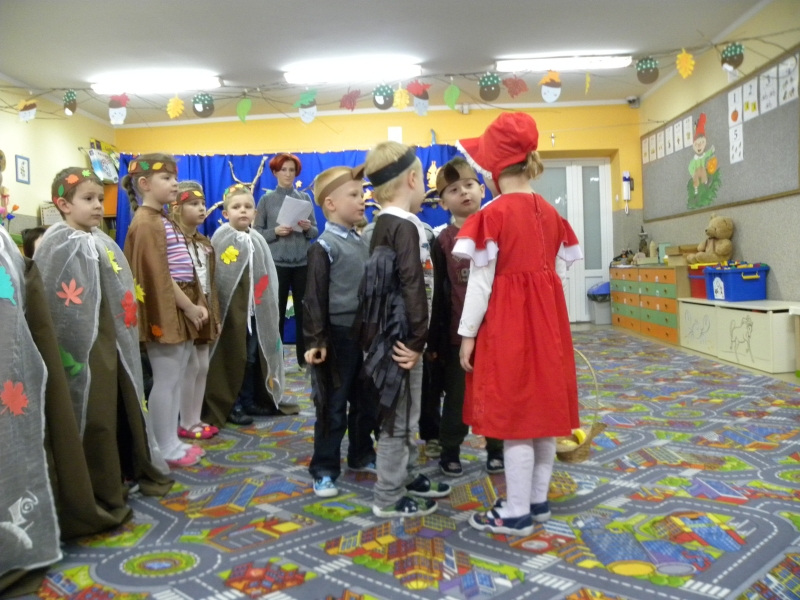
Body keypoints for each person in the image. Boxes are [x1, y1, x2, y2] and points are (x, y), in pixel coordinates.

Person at [453, 113, 582, 537]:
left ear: (493, 170)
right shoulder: (551, 212)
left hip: (509, 327)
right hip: (548, 326)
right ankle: (537, 502)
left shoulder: (494, 215)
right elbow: (557, 276)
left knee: (515, 422)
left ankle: (515, 511)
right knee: (543, 417)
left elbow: (480, 285)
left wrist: (467, 335)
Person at [355, 141, 450, 518]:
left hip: (395, 336)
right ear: (412, 179)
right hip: (403, 341)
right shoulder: (406, 225)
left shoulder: (384, 223)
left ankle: (405, 475)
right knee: (397, 420)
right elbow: (412, 285)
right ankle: (388, 495)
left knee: (405, 413)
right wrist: (417, 340)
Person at [122, 154, 209, 468]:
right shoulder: (146, 222)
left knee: (176, 374)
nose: (174, 184)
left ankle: (172, 440)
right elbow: (158, 274)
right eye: (167, 178)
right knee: (167, 379)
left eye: (175, 177)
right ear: (145, 184)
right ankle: (163, 445)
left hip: (176, 304)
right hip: (167, 307)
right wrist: (188, 306)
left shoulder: (160, 219)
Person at [427, 158, 504, 477]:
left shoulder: (498, 231)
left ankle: (497, 448)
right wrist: (437, 340)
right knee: (457, 397)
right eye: (454, 190)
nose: (464, 193)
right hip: (457, 336)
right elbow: (437, 293)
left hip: (497, 333)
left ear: (482, 189)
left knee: (497, 394)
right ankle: (450, 449)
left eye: (469, 185)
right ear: (443, 202)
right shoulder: (442, 240)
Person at [304, 165, 378, 498]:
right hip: (337, 337)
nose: (363, 200)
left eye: (363, 194)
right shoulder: (324, 246)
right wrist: (317, 339)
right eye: (354, 195)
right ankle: (323, 468)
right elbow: (314, 297)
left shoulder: (361, 241)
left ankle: (361, 454)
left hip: (365, 335)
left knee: (366, 400)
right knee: (332, 405)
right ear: (331, 204)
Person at [204, 184, 290, 428]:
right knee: (234, 355)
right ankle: (232, 404)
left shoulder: (258, 240)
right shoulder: (222, 238)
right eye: (236, 207)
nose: (243, 211)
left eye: (247, 207)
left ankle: (249, 399)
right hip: (232, 313)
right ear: (225, 213)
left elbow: (266, 276)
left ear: (255, 212)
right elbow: (219, 279)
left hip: (255, 313)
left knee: (252, 357)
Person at [254, 154, 318, 367]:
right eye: (283, 170)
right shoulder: (266, 200)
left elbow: (315, 231)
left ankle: (303, 359)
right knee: (277, 313)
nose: (288, 174)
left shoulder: (304, 198)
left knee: (304, 312)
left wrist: (307, 228)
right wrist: (275, 231)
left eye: (292, 170)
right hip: (277, 264)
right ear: (275, 172)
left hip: (302, 263)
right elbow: (256, 232)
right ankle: (276, 360)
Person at [171, 181, 221, 440]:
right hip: (184, 309)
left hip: (204, 309)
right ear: (177, 208)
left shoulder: (204, 242)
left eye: (202, 203)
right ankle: (185, 421)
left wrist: (215, 315)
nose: (202, 208)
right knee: (188, 366)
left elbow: (211, 282)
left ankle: (195, 417)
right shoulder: (173, 241)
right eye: (193, 204)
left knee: (202, 365)